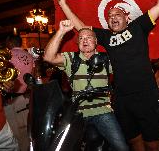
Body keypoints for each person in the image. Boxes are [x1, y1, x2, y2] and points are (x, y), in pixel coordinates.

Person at [57, 0, 159, 150]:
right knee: (133, 141)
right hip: (121, 99)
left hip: (146, 95)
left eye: (117, 14)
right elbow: (80, 26)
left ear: (127, 17)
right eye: (109, 15)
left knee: (153, 144)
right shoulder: (105, 36)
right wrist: (64, 5)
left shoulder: (138, 26)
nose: (113, 16)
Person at [43, 22, 129, 151]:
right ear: (77, 43)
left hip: (103, 112)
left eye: (88, 37)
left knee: (122, 148)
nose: (85, 40)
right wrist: (61, 31)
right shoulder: (72, 58)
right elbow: (48, 57)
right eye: (81, 38)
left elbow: (127, 67)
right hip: (78, 113)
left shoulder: (106, 59)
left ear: (96, 41)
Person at [3, 35, 34, 151]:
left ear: (10, 42)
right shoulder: (29, 55)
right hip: (25, 97)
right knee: (27, 132)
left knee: (15, 135)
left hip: (11, 100)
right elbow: (33, 75)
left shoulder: (7, 55)